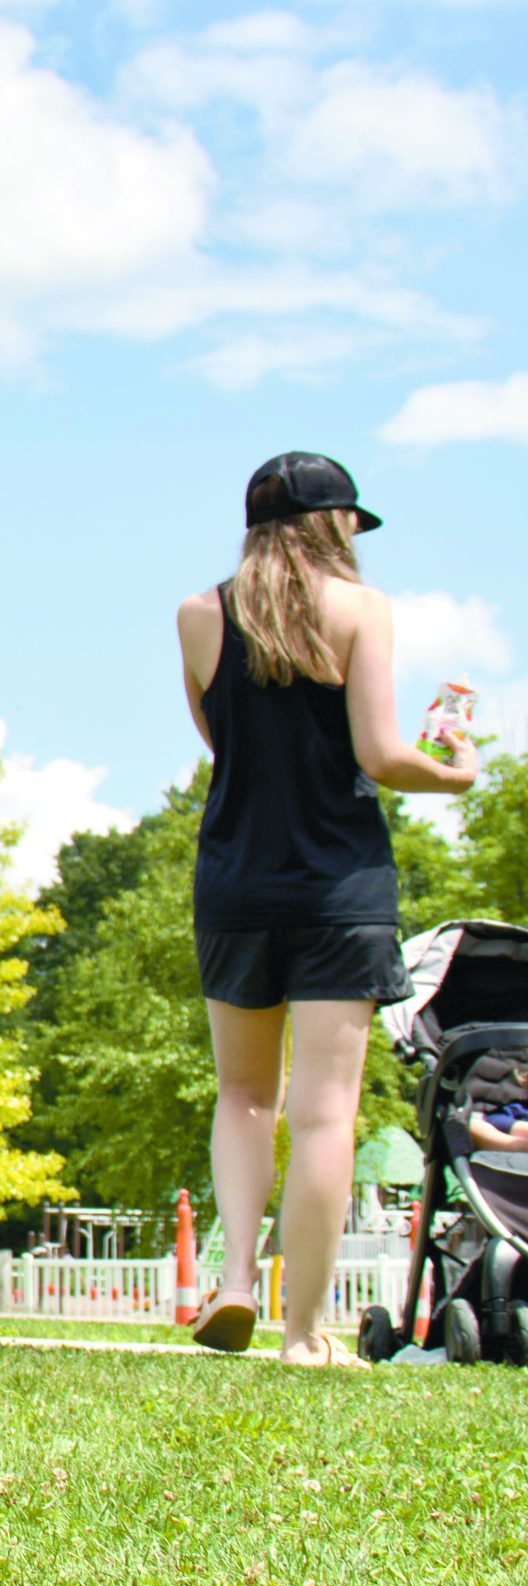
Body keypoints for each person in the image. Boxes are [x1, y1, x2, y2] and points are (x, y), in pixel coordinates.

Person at [177, 452, 478, 1366]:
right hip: (338, 883)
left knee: (243, 1093)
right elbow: (382, 754)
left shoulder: (199, 616)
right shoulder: (361, 611)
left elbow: (220, 742)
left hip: (235, 878)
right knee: (324, 1111)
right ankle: (303, 1331)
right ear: (330, 522)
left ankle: (233, 1281)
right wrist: (454, 767)